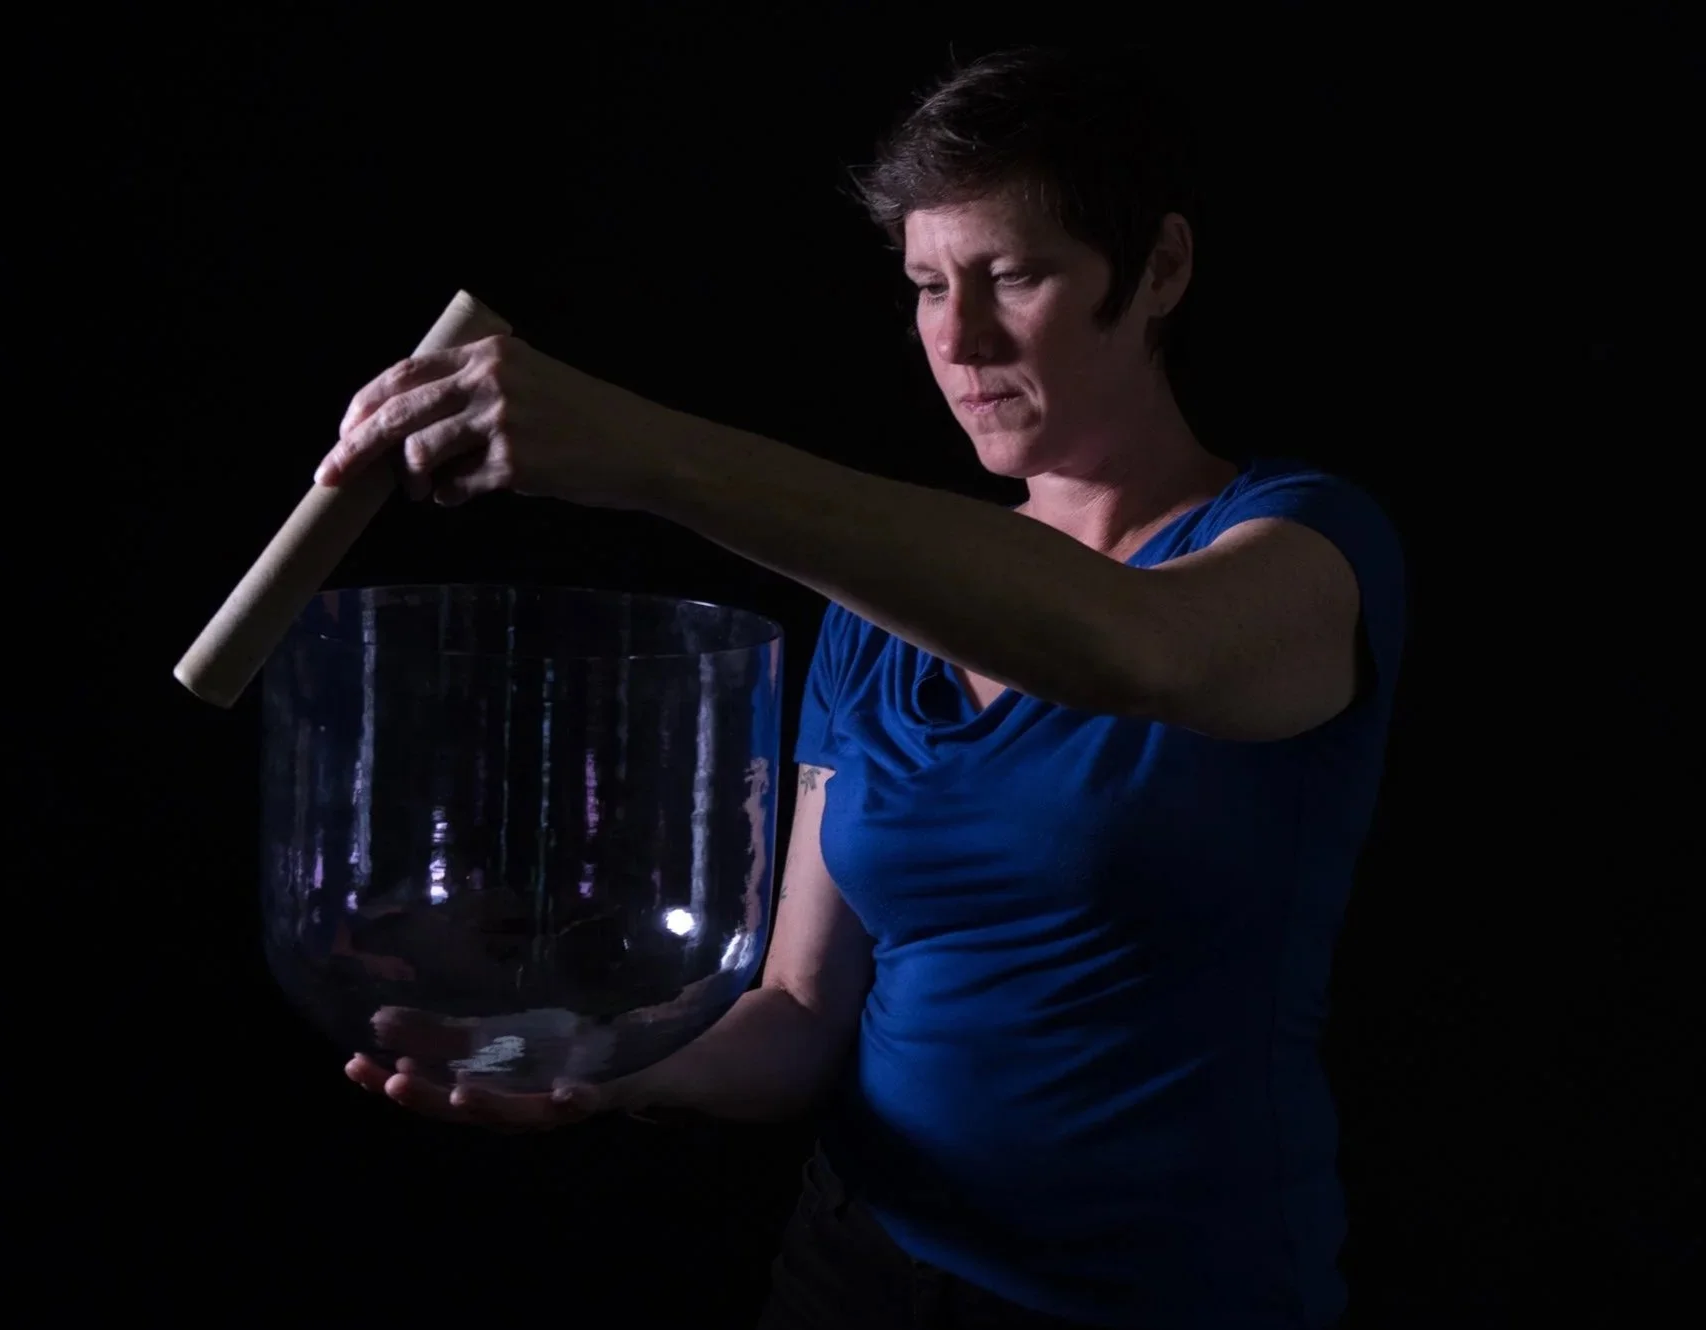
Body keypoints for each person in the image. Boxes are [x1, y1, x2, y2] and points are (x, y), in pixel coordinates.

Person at [326, 44, 1404, 1330]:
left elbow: (1136, 649)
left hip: (1163, 1296)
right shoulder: (880, 611)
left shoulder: (1303, 549)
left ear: (1160, 267)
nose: (958, 338)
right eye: (926, 285)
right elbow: (795, 1011)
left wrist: (641, 451)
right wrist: (601, 1060)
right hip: (861, 1264)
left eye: (1014, 275)